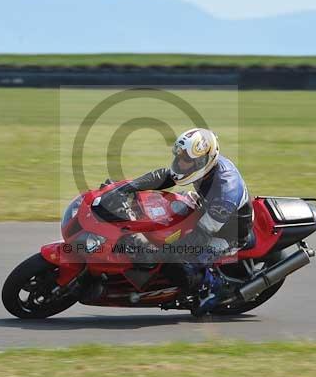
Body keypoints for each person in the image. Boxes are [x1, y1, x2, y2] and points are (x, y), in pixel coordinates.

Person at [101, 128, 253, 315]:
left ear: (203, 160)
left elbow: (202, 235)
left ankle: (212, 288)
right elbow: (165, 177)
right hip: (204, 206)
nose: (180, 162)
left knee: (177, 260)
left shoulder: (225, 192)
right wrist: (124, 189)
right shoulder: (203, 169)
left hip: (228, 232)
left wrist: (164, 253)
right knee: (154, 211)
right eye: (179, 155)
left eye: (186, 159)